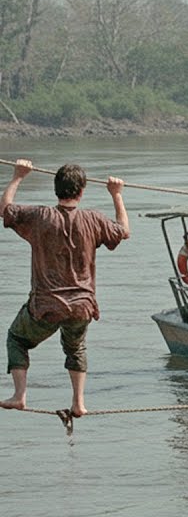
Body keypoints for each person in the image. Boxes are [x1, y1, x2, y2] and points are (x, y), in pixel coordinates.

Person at [1, 159, 129, 418]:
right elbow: (123, 231)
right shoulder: (93, 219)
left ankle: (19, 396)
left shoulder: (40, 217)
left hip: (46, 306)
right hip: (82, 305)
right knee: (76, 348)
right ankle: (79, 403)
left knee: (17, 339)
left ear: (56, 190)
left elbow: (5, 210)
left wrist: (18, 176)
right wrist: (117, 195)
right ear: (81, 192)